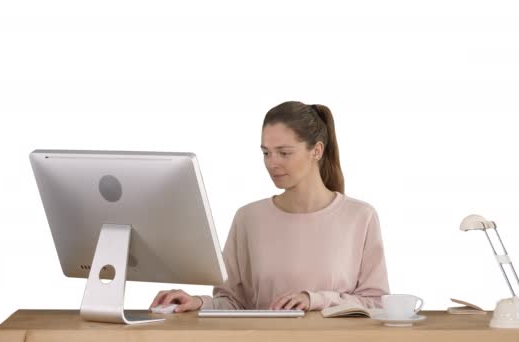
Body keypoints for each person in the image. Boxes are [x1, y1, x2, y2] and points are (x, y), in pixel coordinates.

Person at [150, 101, 390, 312]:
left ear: (316, 150)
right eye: (266, 153)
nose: (272, 163)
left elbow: (376, 303)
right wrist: (198, 302)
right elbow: (234, 303)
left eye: (284, 153)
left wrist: (315, 300)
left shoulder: (360, 217)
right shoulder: (248, 218)